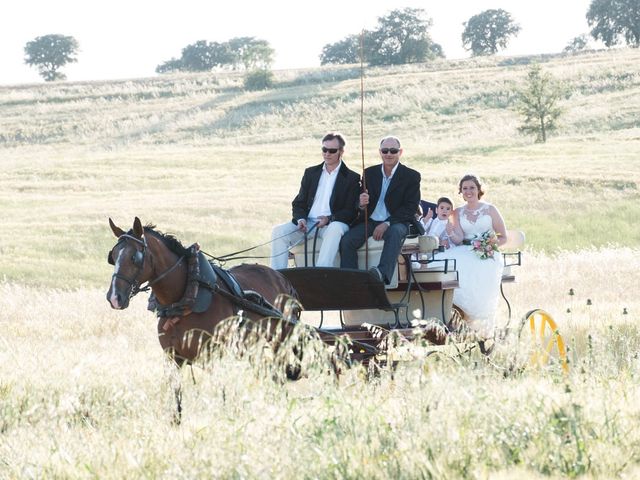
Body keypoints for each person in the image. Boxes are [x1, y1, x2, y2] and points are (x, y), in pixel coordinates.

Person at [339, 135, 422, 284]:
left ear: (400, 152)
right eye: (385, 150)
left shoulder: (411, 176)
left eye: (393, 150)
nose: (389, 154)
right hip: (371, 220)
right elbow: (359, 201)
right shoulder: (369, 173)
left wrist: (387, 223)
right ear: (380, 152)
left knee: (395, 232)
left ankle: (381, 275)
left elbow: (410, 208)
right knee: (347, 240)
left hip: (398, 221)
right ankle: (351, 280)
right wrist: (361, 203)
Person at [271, 132, 360, 269]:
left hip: (333, 224)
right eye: (324, 149)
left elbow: (351, 212)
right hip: (308, 224)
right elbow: (299, 203)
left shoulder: (351, 178)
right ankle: (277, 278)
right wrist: (301, 219)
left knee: (335, 228)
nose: (327, 154)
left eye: (332, 150)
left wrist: (329, 219)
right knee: (278, 232)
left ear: (341, 152)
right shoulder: (311, 173)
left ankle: (321, 272)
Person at [444, 174, 508, 338]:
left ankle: (478, 320)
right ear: (461, 191)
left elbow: (503, 237)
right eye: (465, 188)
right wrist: (451, 232)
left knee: (473, 267)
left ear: (479, 190)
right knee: (445, 263)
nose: (468, 191)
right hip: (465, 250)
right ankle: (453, 312)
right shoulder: (457, 212)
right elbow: (458, 239)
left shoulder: (490, 209)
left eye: (472, 187)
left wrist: (487, 246)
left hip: (487, 253)